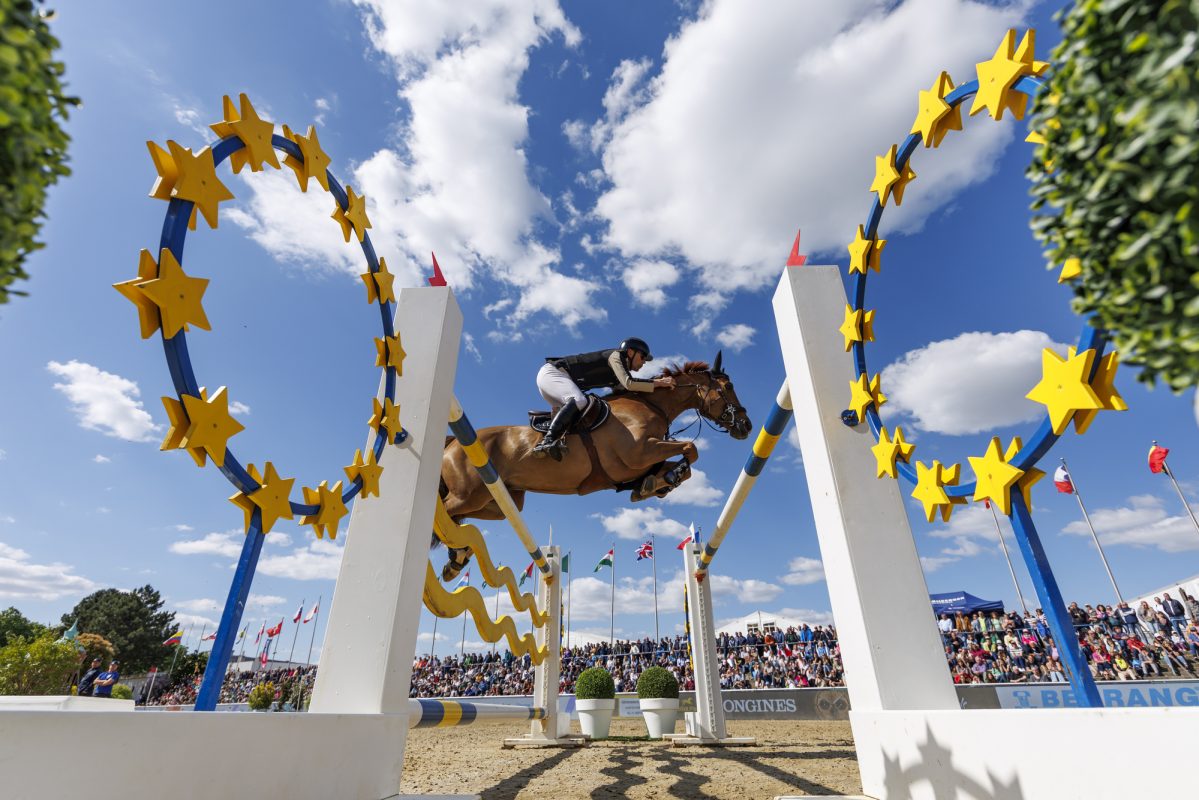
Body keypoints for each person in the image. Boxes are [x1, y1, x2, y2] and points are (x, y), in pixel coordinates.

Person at [532, 337, 675, 459]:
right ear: (630, 352)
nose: (644, 362)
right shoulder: (616, 356)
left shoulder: (617, 377)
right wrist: (659, 383)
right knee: (580, 400)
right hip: (553, 374)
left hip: (557, 381)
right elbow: (630, 384)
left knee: (578, 415)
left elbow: (627, 392)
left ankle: (556, 442)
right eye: (643, 357)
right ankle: (547, 441)